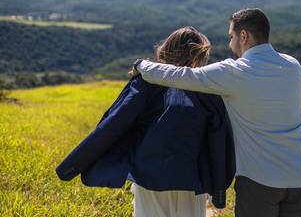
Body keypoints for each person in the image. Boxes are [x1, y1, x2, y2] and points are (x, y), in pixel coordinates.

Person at [131, 8, 301, 217]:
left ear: (244, 36)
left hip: (261, 180)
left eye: (231, 37)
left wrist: (142, 65)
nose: (230, 44)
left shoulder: (235, 72)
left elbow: (183, 75)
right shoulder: (293, 66)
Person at [56, 26, 235, 217]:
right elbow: (220, 139)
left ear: (167, 49)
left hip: (148, 174)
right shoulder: (208, 91)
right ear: (199, 55)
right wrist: (218, 189)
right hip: (191, 179)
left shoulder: (144, 84)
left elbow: (114, 124)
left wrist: (71, 166)